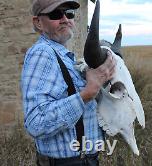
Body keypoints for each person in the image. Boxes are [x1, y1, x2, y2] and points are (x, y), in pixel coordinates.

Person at [21, 0, 116, 165]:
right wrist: (87, 93)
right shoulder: (42, 53)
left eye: (69, 13)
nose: (65, 19)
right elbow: (36, 123)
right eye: (55, 14)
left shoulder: (61, 55)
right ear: (38, 22)